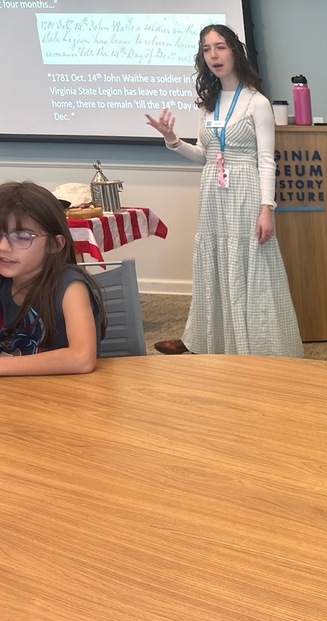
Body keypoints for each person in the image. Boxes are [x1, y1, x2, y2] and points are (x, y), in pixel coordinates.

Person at [145, 24, 302, 357]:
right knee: (216, 262)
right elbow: (205, 156)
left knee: (249, 264)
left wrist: (266, 208)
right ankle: (209, 340)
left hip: (246, 191)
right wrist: (172, 140)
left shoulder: (256, 102)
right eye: (206, 49)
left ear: (234, 50)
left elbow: (265, 160)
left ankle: (258, 346)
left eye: (220, 47)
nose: (213, 55)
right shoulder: (208, 103)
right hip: (214, 193)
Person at [0, 181, 106, 375]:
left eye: (22, 236)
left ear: (55, 245)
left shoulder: (70, 286)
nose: (3, 247)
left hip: (66, 396)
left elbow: (82, 358)